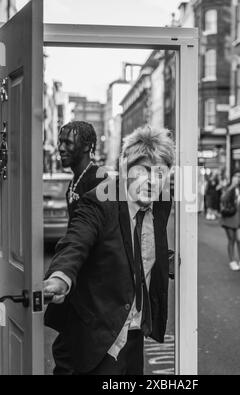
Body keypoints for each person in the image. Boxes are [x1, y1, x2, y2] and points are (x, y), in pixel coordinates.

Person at [43, 126, 174, 375]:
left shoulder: (159, 205)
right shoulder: (99, 201)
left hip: (133, 335)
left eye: (160, 173)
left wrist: (166, 258)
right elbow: (76, 241)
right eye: (144, 170)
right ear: (125, 168)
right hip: (93, 338)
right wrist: (60, 276)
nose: (153, 181)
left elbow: (136, 245)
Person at [45, 121, 106, 375]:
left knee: (78, 356)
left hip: (94, 287)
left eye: (68, 143)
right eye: (60, 142)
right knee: (67, 351)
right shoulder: (76, 179)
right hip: (78, 281)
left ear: (88, 147)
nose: (61, 148)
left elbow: (86, 234)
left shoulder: (101, 180)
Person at [220, 171, 240, 272]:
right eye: (236, 176)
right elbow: (223, 199)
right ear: (232, 177)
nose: (238, 178)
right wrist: (232, 186)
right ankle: (232, 261)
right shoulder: (228, 187)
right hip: (229, 216)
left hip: (239, 217)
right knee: (231, 239)